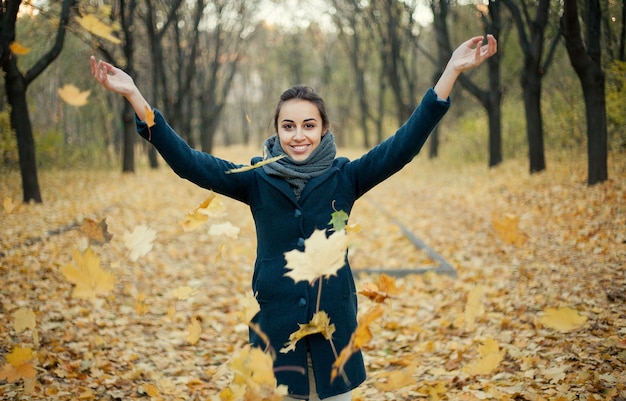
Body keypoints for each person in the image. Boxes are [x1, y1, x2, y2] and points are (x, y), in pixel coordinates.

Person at [90, 34, 497, 401]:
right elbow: (188, 163)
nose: (298, 134)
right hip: (276, 331)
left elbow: (403, 146)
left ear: (323, 130)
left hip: (333, 330)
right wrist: (134, 96)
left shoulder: (346, 177)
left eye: (308, 125)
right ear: (276, 131)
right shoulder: (255, 180)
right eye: (288, 126)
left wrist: (451, 71)